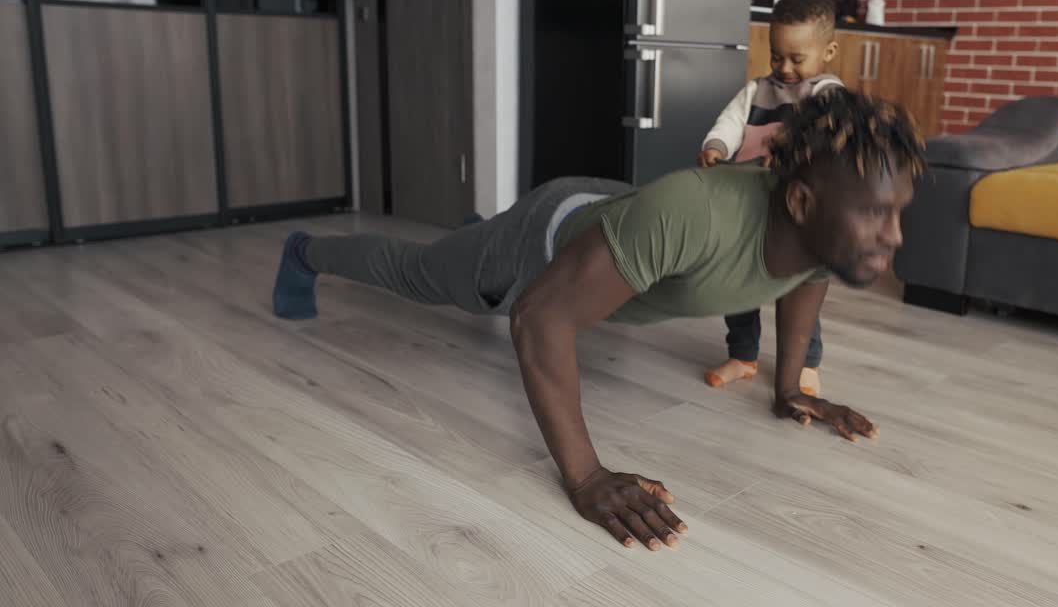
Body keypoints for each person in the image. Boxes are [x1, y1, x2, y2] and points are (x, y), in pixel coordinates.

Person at [272, 87, 924, 552]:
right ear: (804, 202)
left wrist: (789, 391)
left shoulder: (814, 240)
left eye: (897, 212)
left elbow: (803, 281)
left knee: (607, 249)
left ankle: (476, 238)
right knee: (424, 276)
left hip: (619, 224)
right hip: (541, 241)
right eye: (875, 215)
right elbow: (537, 319)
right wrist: (585, 476)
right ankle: (305, 252)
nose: (892, 237)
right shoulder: (698, 214)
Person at [697, 0, 844, 395]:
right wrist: (717, 146)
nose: (785, 67)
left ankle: (805, 363)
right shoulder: (756, 90)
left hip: (796, 215)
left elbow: (829, 137)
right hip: (750, 205)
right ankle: (742, 355)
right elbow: (731, 121)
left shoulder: (827, 96)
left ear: (828, 51)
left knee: (798, 287)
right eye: (777, 55)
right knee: (737, 281)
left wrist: (792, 156)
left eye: (798, 59)